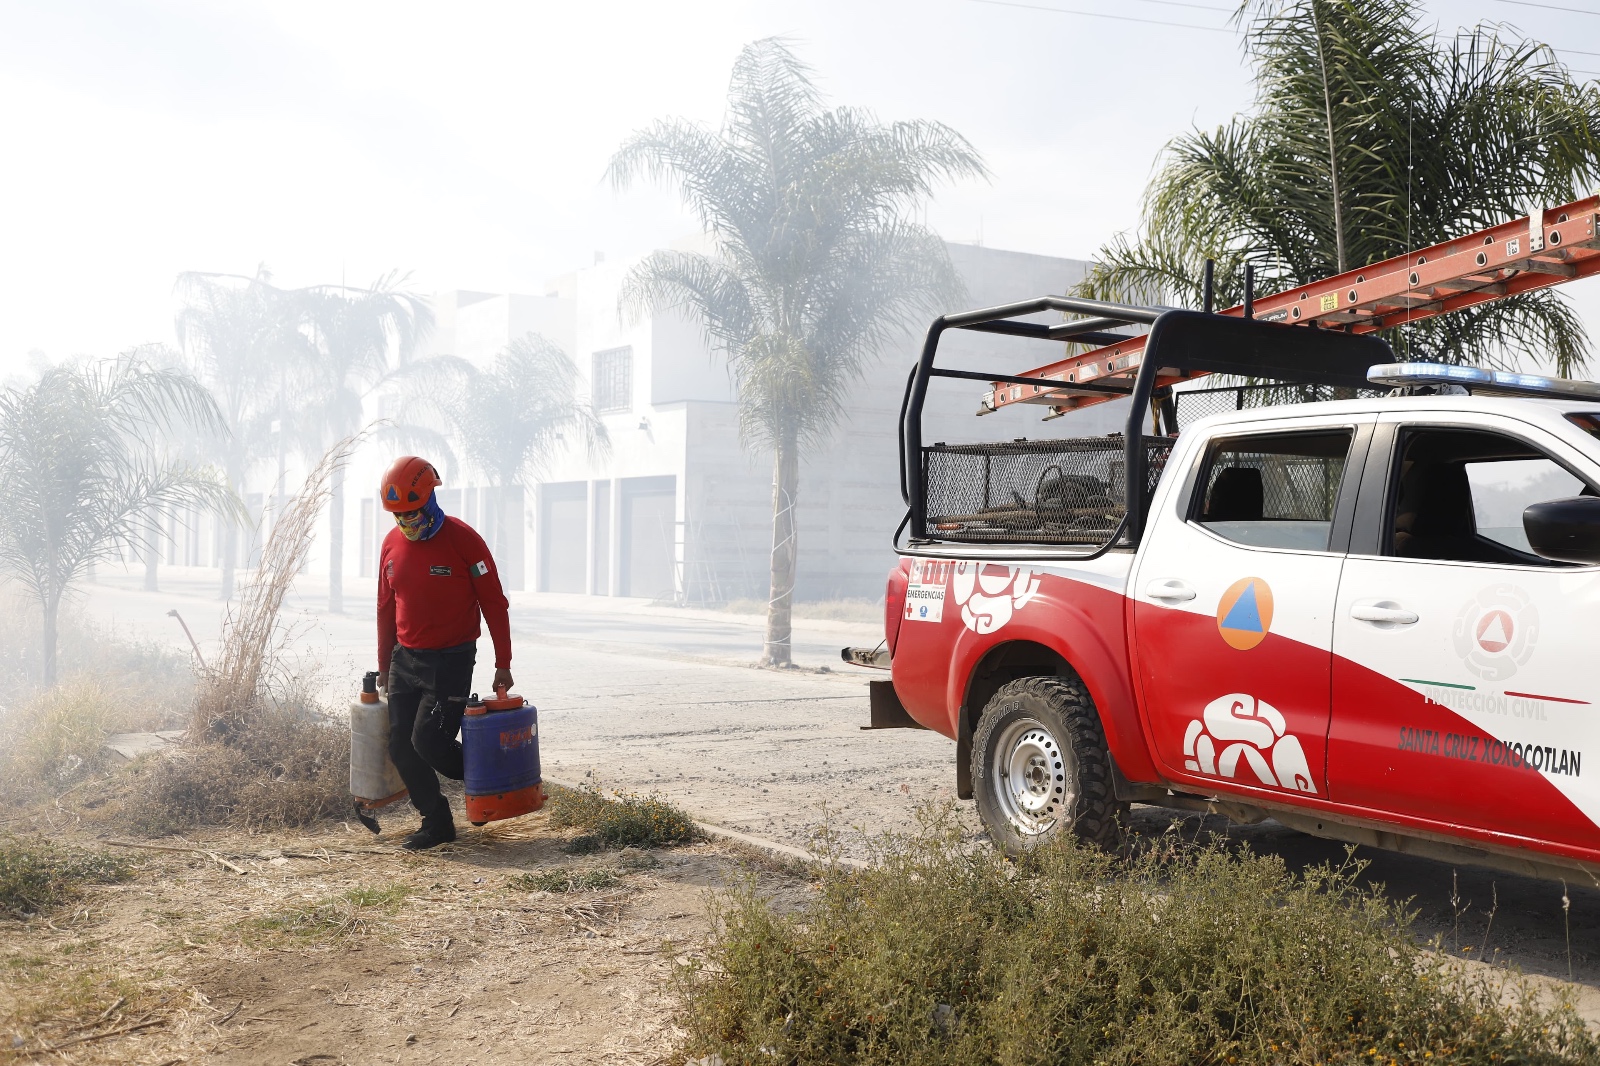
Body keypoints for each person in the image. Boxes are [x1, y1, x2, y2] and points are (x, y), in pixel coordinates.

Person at [375, 456, 513, 850]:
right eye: (399, 515)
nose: (407, 521)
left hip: (450, 659)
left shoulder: (463, 540)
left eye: (413, 512)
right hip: (406, 658)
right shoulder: (390, 544)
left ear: (432, 496)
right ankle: (437, 823)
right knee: (401, 746)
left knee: (430, 742)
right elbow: (385, 608)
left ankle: (494, 778)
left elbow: (493, 602)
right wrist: (385, 663)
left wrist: (503, 662)